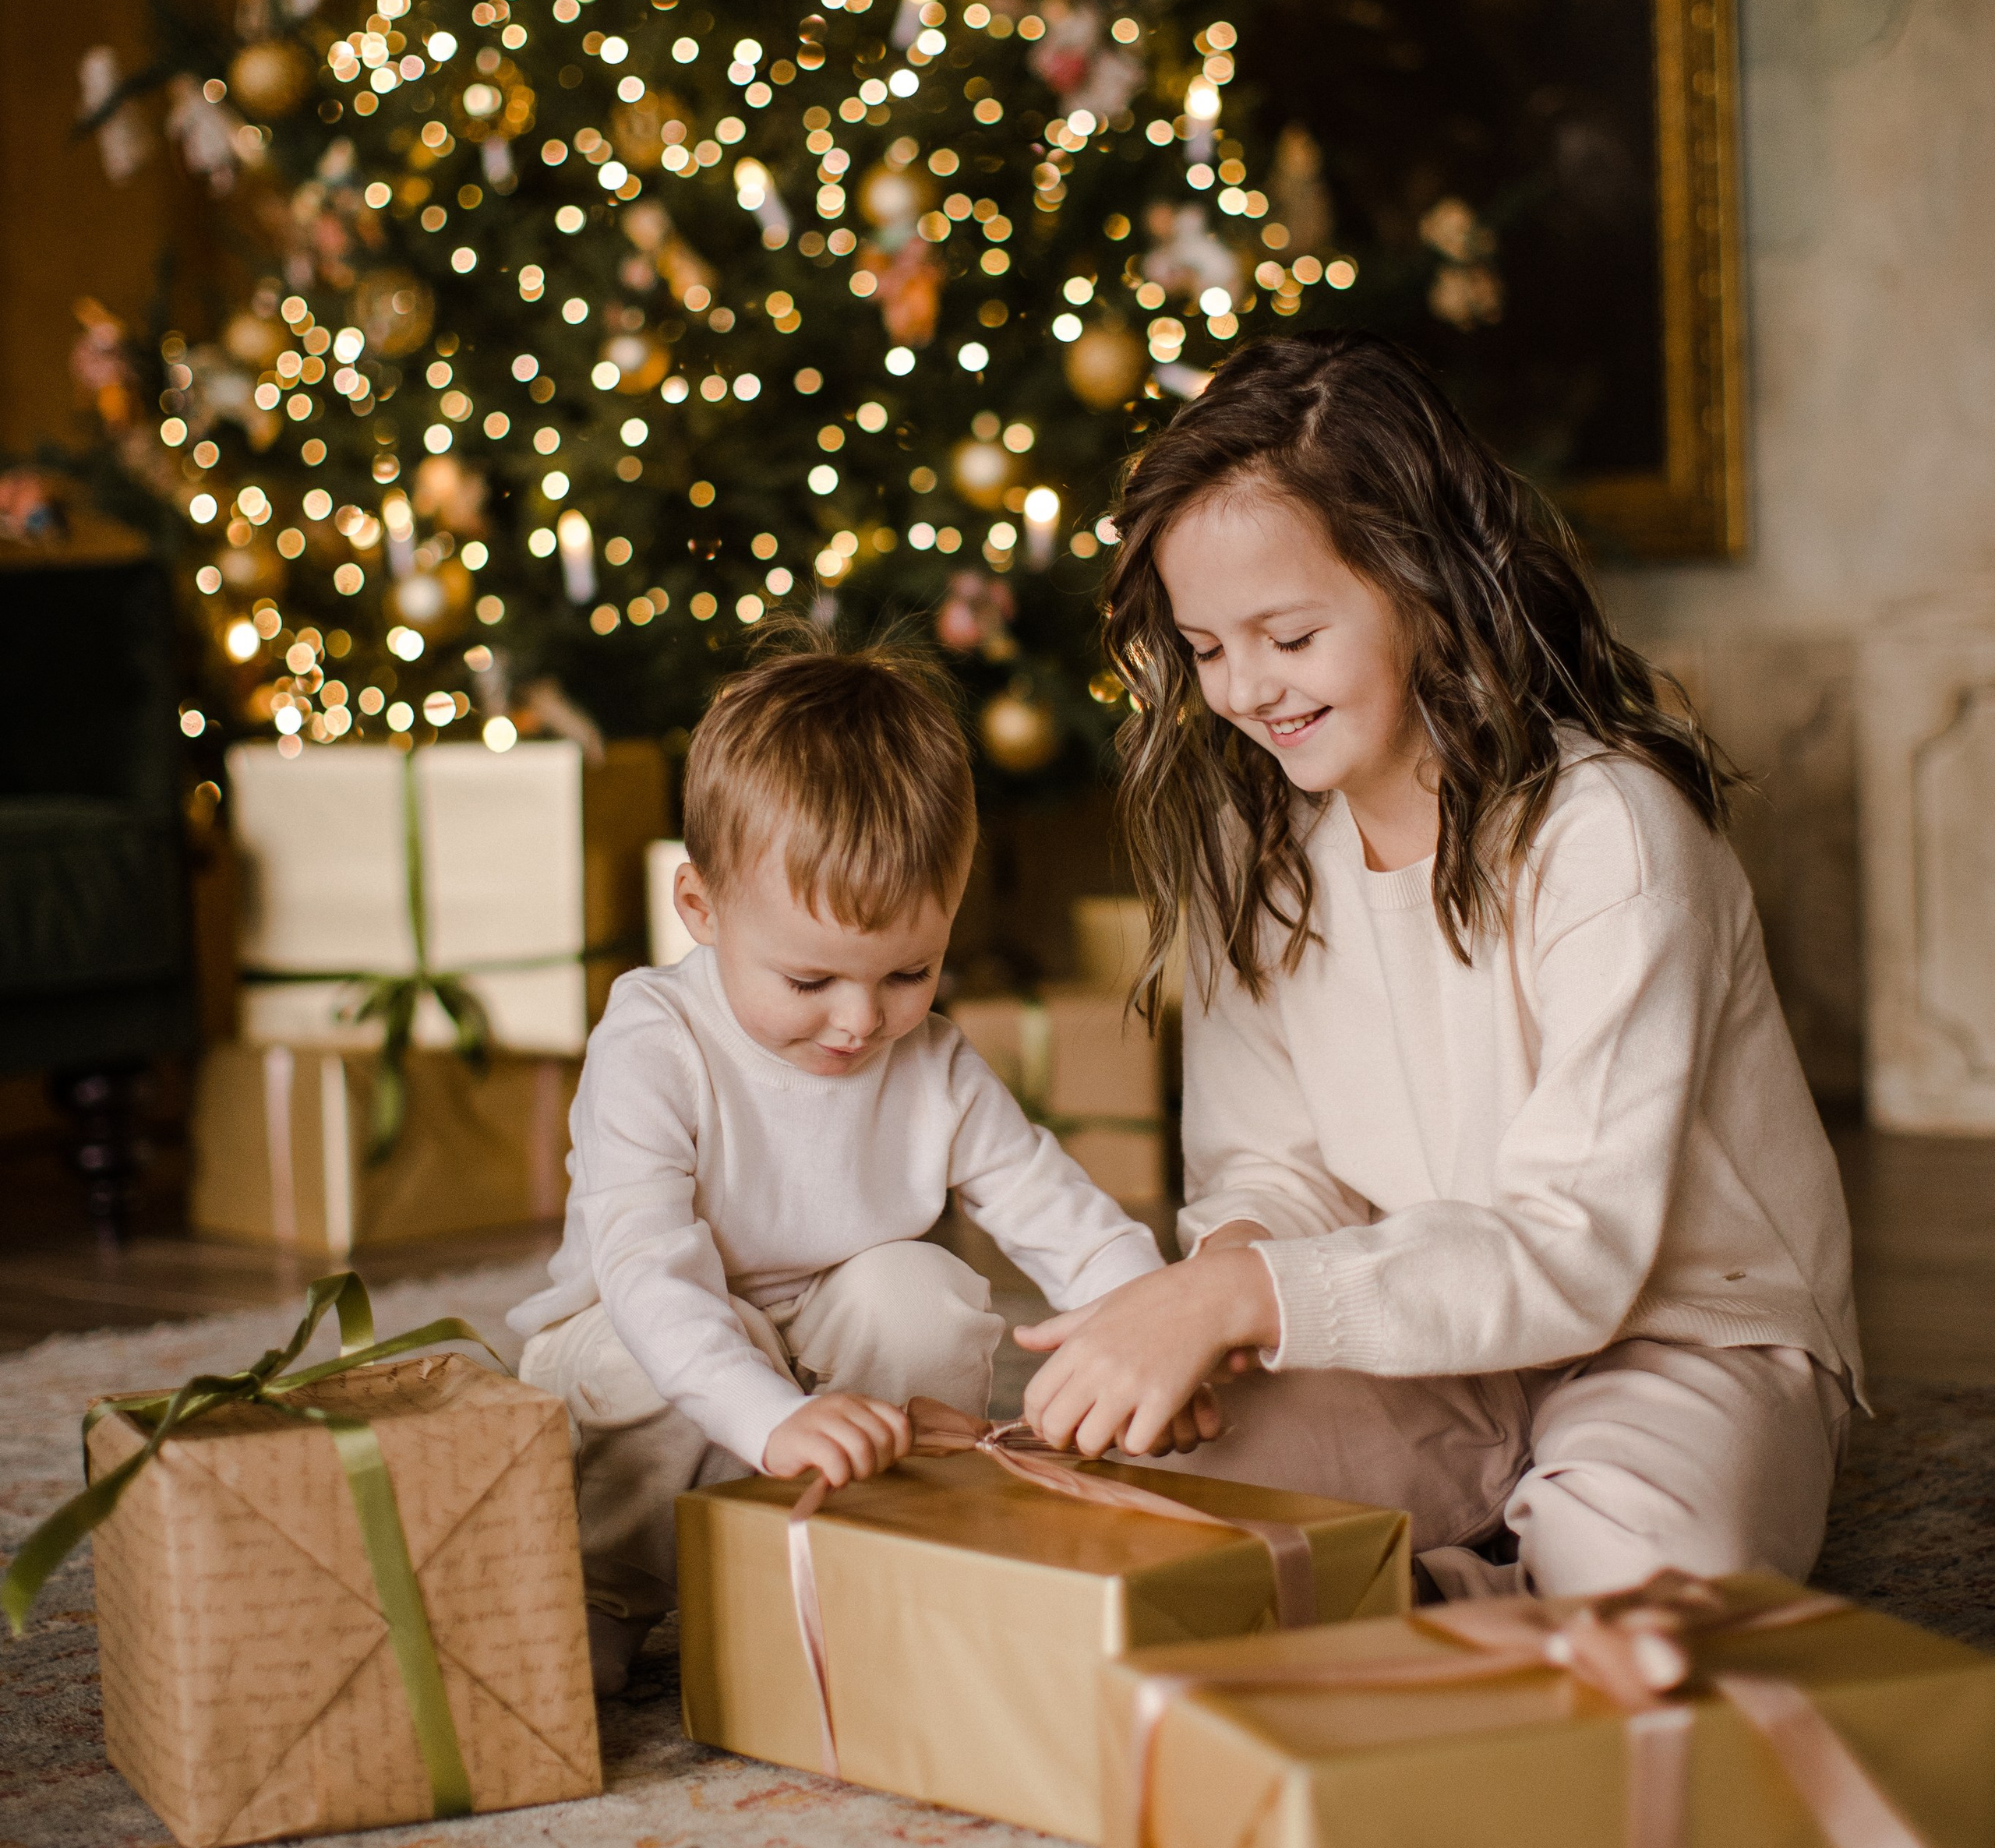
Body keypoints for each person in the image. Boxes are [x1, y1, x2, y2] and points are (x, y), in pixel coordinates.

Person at [1015, 331, 1859, 1599]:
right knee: (1128, 1491)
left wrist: (1247, 1297)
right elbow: (1267, 1167)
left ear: (1421, 586)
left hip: (1681, 1335)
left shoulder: (1611, 835)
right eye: (1204, 647)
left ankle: (1466, 1587)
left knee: (1645, 1572)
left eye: (1289, 635)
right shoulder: (1260, 854)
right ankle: (1473, 1577)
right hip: (1424, 1337)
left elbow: (1578, 1251)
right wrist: (1224, 1288)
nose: (1245, 688)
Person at [511, 637, 1164, 1691]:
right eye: (811, 979)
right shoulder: (650, 1041)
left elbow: (1058, 1212)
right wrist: (770, 1418)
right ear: (701, 910)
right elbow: (648, 1274)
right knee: (647, 1367)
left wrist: (1153, 1325)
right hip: (637, 1339)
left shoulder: (934, 1062)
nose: (863, 1022)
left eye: (910, 970)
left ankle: (865, 1543)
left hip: (821, 1341)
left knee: (924, 1295)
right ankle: (609, 1590)